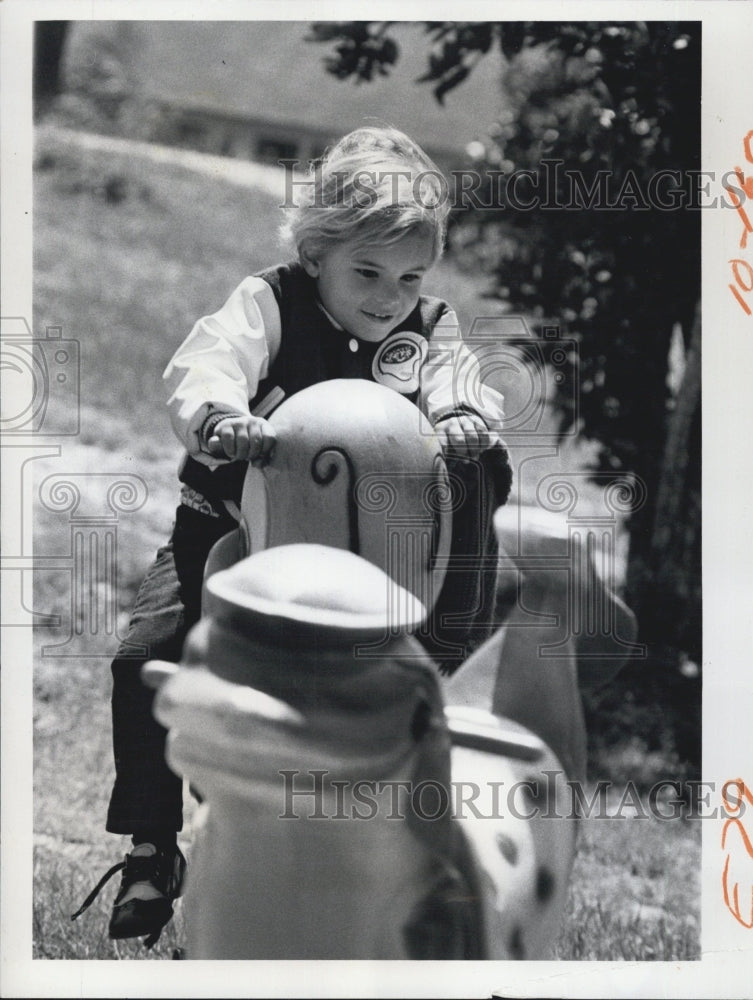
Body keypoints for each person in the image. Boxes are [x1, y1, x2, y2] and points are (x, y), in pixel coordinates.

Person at [72, 126, 512, 947]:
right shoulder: (267, 303)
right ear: (315, 254)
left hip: (360, 563)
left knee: (393, 678)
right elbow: (203, 367)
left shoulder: (429, 328)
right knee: (147, 656)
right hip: (228, 531)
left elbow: (462, 382)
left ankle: (360, 862)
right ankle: (150, 845)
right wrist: (220, 417)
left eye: (409, 276)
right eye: (368, 273)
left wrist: (458, 415)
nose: (389, 298)